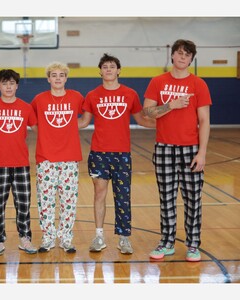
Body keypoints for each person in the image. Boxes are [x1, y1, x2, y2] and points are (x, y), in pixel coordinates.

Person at [79, 53, 155, 255]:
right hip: (99, 153)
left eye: (112, 66)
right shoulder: (93, 95)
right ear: (100, 71)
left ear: (119, 70)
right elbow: (83, 122)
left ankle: (124, 238)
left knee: (123, 196)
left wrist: (168, 126)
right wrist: (57, 126)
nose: (109, 69)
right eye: (105, 67)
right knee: (99, 194)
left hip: (122, 154)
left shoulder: (130, 94)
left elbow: (142, 120)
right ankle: (99, 236)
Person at [142, 39, 212, 262]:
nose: (183, 57)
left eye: (187, 54)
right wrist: (170, 105)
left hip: (190, 149)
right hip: (164, 148)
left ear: (192, 59)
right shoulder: (158, 81)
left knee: (193, 199)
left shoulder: (198, 84)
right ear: (172, 56)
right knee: (167, 198)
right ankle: (167, 242)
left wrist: (201, 153)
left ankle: (192, 245)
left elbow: (204, 121)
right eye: (179, 53)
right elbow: (147, 112)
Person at [0, 69, 38, 255]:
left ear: (17, 85)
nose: (8, 87)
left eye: (11, 83)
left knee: (23, 204)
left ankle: (25, 238)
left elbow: (41, 131)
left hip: (21, 164)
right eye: (5, 83)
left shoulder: (26, 108)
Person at [31, 62, 84, 253]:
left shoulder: (76, 97)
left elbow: (85, 118)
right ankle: (48, 237)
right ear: (48, 79)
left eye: (61, 75)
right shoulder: (39, 99)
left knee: (68, 201)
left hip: (69, 158)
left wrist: (70, 129)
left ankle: (66, 238)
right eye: (54, 75)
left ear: (66, 78)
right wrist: (46, 134)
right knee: (46, 200)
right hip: (46, 158)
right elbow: (33, 122)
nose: (58, 78)